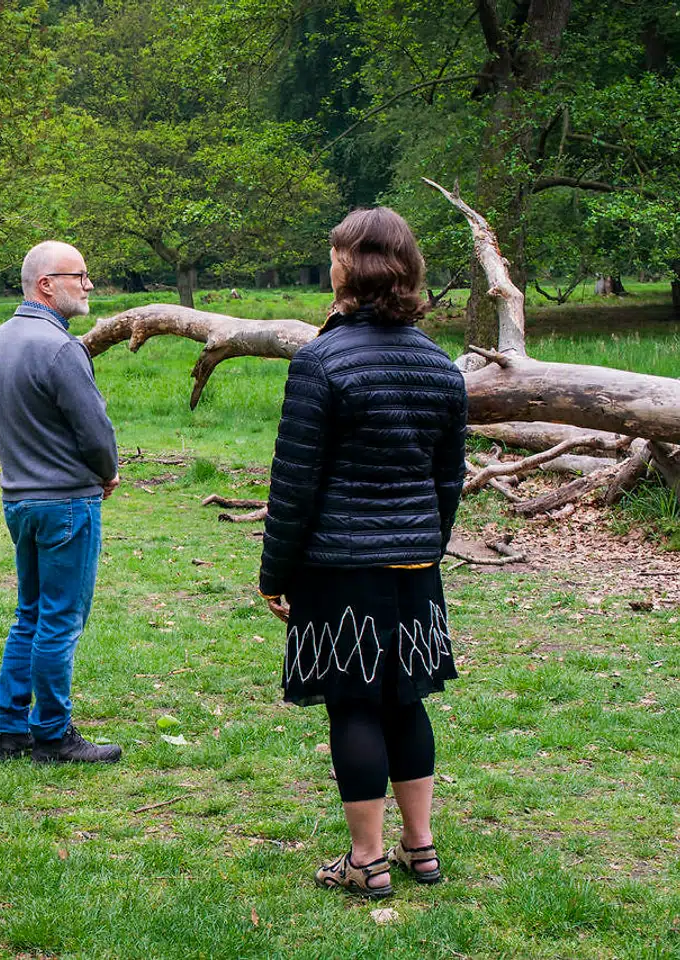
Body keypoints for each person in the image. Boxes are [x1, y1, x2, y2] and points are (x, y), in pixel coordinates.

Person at [258, 208, 468, 898]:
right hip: (415, 565)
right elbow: (447, 480)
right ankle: (422, 848)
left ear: (352, 266)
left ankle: (368, 860)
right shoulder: (438, 363)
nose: (329, 265)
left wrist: (276, 573)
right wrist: (425, 548)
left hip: (340, 567)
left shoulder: (321, 360)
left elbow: (294, 484)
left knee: (352, 704)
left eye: (333, 255)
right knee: (405, 701)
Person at [0, 240, 121, 764]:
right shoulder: (61, 347)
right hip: (65, 504)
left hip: (19, 501)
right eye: (79, 276)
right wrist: (106, 472)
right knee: (60, 621)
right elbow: (94, 431)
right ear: (47, 284)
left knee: (30, 615)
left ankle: (9, 729)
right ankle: (53, 735)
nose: (88, 286)